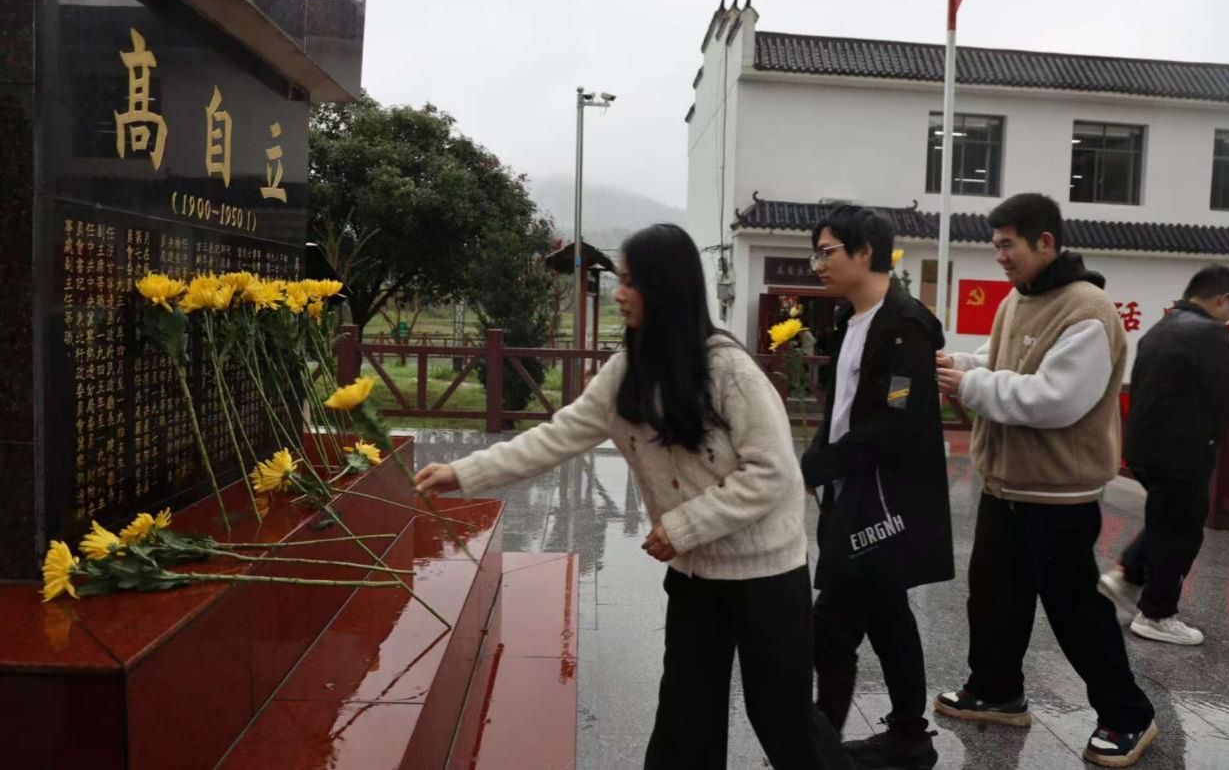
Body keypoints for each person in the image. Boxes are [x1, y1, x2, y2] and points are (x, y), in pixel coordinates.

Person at [414, 224, 850, 770]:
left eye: (630, 282)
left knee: (781, 716)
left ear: (665, 288)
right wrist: (463, 472)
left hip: (766, 574)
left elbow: (774, 474)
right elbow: (558, 435)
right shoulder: (627, 371)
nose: (618, 293)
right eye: (619, 280)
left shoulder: (729, 371)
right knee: (685, 718)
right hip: (696, 575)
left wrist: (685, 525)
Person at [933, 193, 1157, 768]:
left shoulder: (1088, 310)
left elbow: (1054, 400)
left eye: (1008, 244)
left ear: (1046, 242)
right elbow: (1000, 359)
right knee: (993, 597)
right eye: (996, 245)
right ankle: (996, 691)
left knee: (1075, 610)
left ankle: (1129, 714)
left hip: (1058, 494)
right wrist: (961, 365)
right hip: (1006, 484)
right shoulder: (1017, 301)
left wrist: (969, 387)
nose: (1000, 257)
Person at [800, 206, 954, 770]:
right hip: (852, 490)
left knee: (830, 632)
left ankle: (814, 754)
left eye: (827, 251)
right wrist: (821, 459)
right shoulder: (851, 320)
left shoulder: (904, 327)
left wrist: (813, 469)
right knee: (889, 617)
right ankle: (910, 737)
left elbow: (896, 422)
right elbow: (843, 410)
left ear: (865, 253)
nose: (818, 263)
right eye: (816, 251)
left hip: (882, 500)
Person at [1099, 265, 1229, 645]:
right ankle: (1157, 613)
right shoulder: (1208, 333)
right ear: (1221, 298)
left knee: (1164, 520)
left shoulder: (1162, 328)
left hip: (1145, 446)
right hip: (1182, 450)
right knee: (1182, 531)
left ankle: (1126, 578)